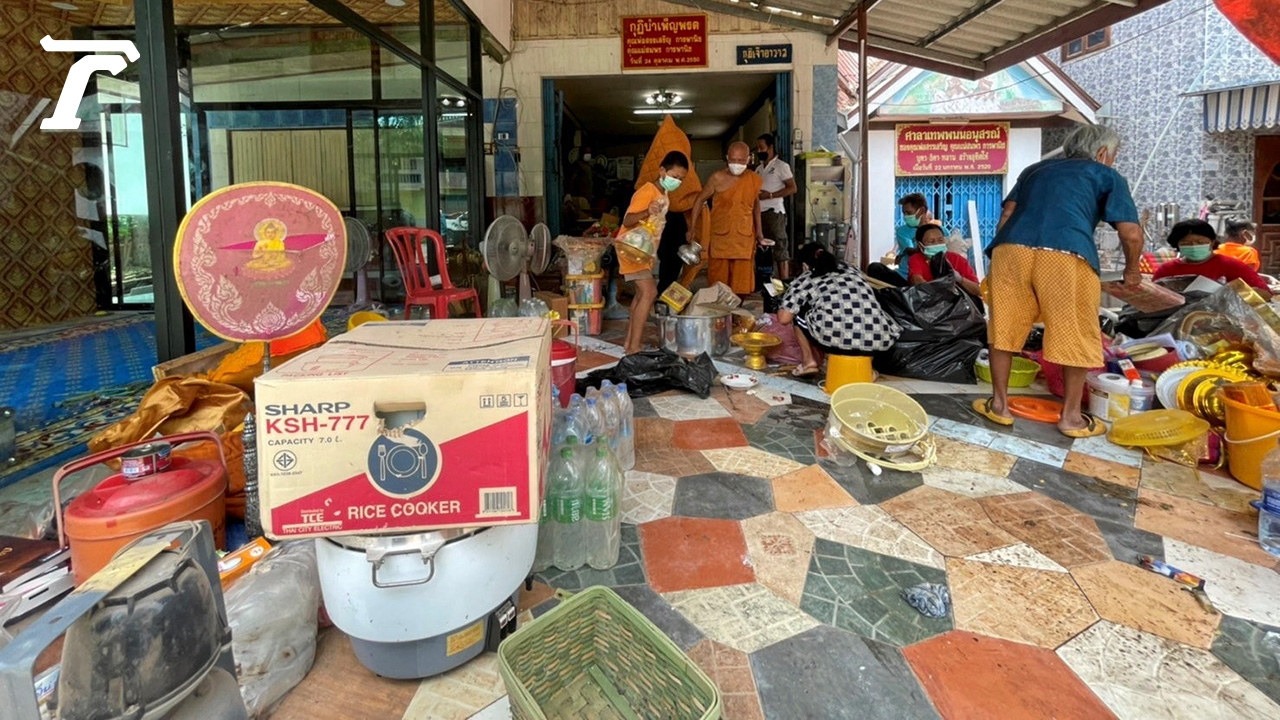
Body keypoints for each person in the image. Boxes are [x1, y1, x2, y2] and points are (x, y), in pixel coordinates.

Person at [975, 124, 1143, 438]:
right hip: (1066, 253)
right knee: (1075, 330)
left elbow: (1007, 215)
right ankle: (1071, 418)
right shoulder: (1106, 175)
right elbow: (1131, 233)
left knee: (1005, 327)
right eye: (1113, 155)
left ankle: (999, 406)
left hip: (1011, 249)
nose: (1113, 160)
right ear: (1102, 153)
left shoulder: (1035, 170)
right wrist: (1133, 270)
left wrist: (1001, 257)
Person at [778, 243, 901, 376]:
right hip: (879, 342)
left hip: (836, 342)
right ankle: (867, 369)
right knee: (864, 311)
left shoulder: (806, 278)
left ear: (805, 265)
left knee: (798, 314)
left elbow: (784, 318)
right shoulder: (853, 270)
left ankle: (809, 363)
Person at [616, 150, 688, 355]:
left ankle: (630, 343)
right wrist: (647, 211)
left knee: (641, 295)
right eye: (674, 176)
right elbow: (628, 220)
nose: (677, 181)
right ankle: (634, 348)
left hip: (644, 252)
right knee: (650, 293)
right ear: (662, 170)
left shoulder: (663, 194)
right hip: (632, 249)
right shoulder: (647, 191)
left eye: (681, 179)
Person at [689, 142, 763, 295]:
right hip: (720, 238)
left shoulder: (753, 179)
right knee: (718, 286)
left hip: (743, 238)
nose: (737, 164)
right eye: (733, 160)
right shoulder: (717, 178)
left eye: (741, 160)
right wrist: (692, 228)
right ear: (727, 158)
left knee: (741, 286)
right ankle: (720, 310)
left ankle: (738, 309)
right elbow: (699, 200)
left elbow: (755, 206)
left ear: (749, 159)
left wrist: (760, 233)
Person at [1154, 219, 1270, 294]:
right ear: (1177, 245)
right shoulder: (1167, 270)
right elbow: (1152, 298)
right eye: (1186, 243)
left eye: (1200, 242)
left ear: (1212, 242)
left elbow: (1265, 294)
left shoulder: (1231, 265)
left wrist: (1229, 293)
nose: (1194, 246)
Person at [755, 133, 797, 279]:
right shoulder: (759, 169)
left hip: (774, 213)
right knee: (762, 249)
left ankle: (784, 282)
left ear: (770, 147)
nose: (759, 151)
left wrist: (771, 195)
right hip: (759, 214)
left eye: (761, 147)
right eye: (757, 148)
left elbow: (792, 188)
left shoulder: (781, 166)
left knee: (779, 248)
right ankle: (766, 281)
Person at [909, 224, 983, 302]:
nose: (937, 244)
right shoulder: (916, 259)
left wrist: (959, 279)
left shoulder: (958, 259)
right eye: (931, 241)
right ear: (920, 245)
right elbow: (917, 280)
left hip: (959, 305)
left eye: (941, 240)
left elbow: (977, 291)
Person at [894, 193, 940, 277]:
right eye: (904, 213)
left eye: (909, 213)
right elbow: (911, 252)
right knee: (875, 267)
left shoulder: (940, 231)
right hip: (905, 275)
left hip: (931, 276)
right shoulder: (902, 231)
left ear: (922, 210)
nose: (905, 216)